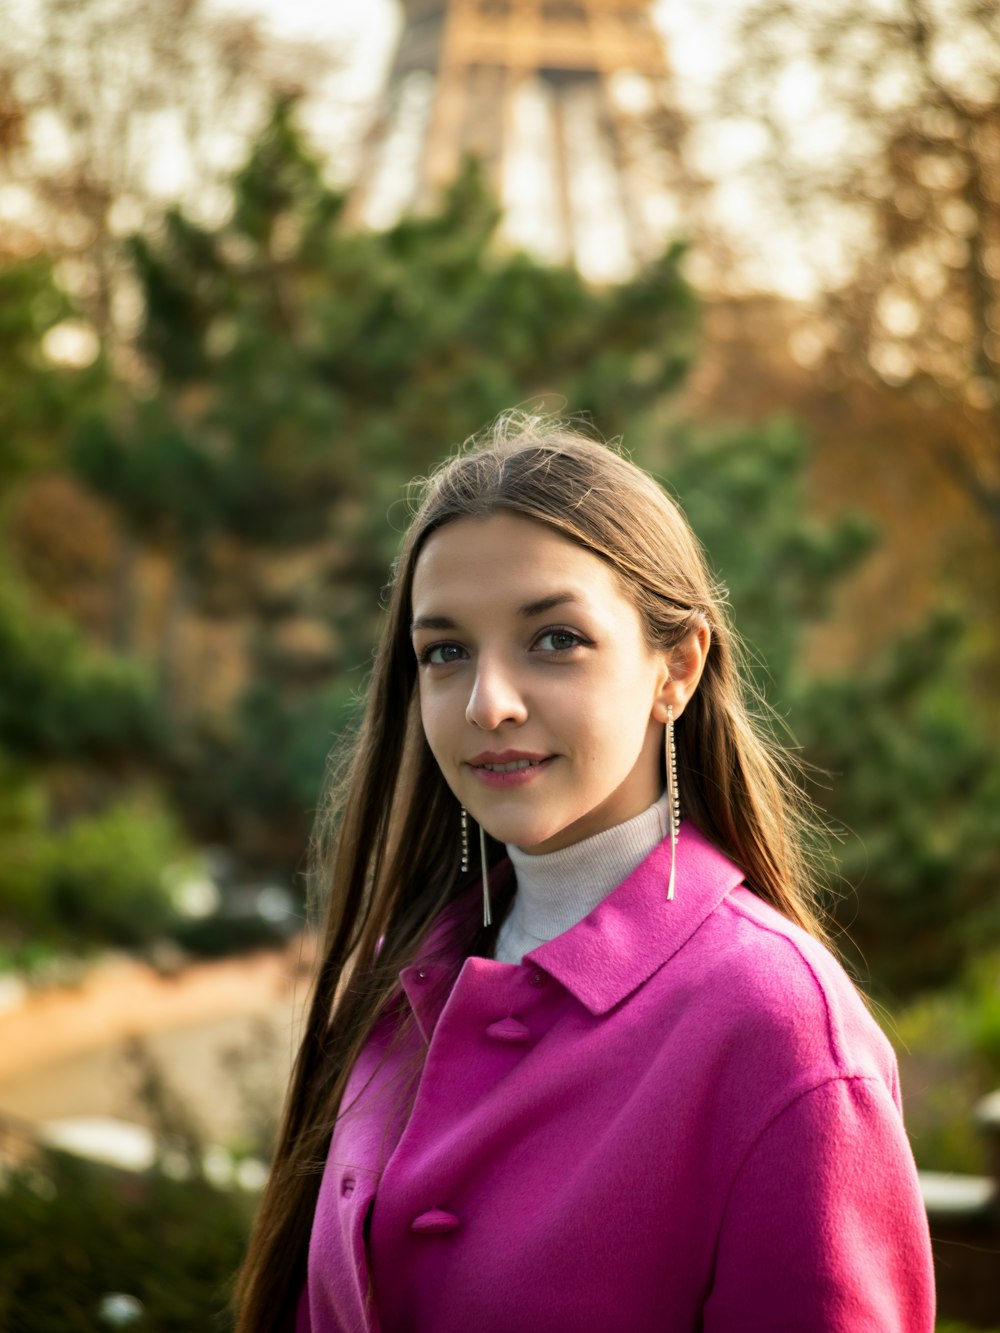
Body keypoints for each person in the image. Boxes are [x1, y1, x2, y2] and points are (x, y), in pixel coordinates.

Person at [236, 416, 935, 1332]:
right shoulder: (397, 975)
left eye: (554, 639)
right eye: (445, 650)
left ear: (676, 669)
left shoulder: (780, 1027)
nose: (489, 702)